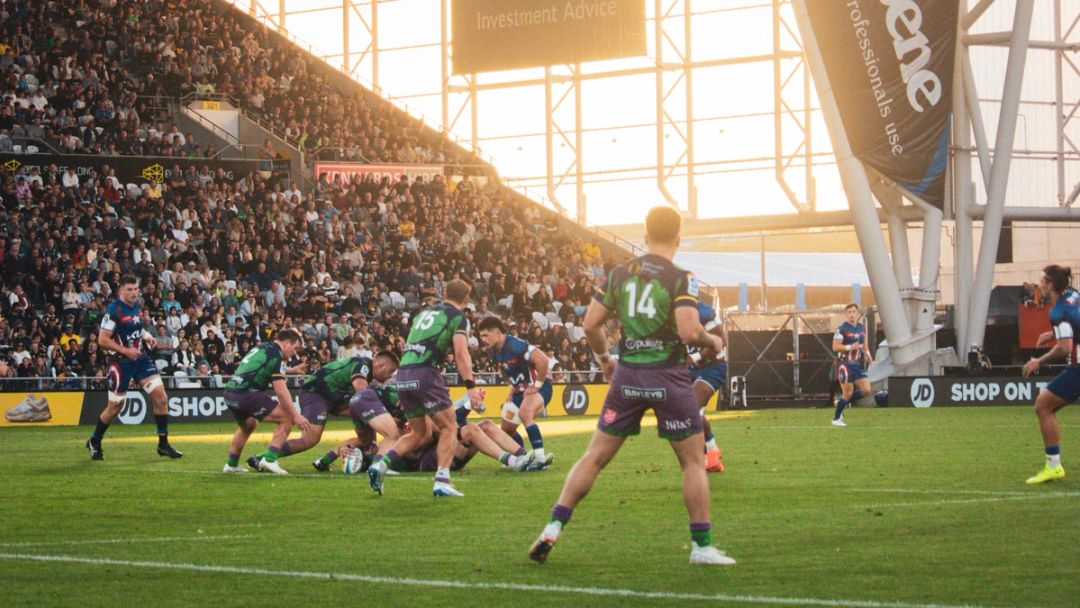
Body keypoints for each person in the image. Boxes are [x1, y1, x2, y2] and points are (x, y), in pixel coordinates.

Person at [527, 206, 735, 566]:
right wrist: (712, 342)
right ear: (678, 238)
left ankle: (553, 527)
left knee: (594, 456)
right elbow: (688, 331)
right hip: (668, 376)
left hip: (627, 376)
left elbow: (591, 323)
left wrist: (605, 359)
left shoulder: (620, 273)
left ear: (644, 234)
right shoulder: (681, 277)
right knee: (692, 463)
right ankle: (702, 546)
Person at [366, 279, 483, 497]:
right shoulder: (458, 317)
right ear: (466, 299)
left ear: (444, 293)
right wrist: (470, 386)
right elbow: (461, 353)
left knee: (421, 432)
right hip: (425, 373)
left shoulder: (423, 313)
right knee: (449, 426)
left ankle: (380, 465)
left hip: (403, 374)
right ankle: (442, 480)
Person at [248, 351, 399, 472]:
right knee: (309, 439)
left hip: (334, 399)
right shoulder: (363, 365)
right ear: (380, 363)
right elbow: (362, 392)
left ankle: (324, 461)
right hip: (316, 394)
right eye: (391, 371)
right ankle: (263, 457)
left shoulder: (367, 370)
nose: (390, 376)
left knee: (367, 432)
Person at [86, 275, 182, 461]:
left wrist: (146, 336)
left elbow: (136, 327)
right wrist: (125, 350)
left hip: (140, 359)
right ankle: (95, 440)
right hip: (121, 362)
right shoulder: (114, 310)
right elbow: (102, 339)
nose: (133, 293)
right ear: (120, 290)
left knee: (161, 398)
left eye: (135, 289)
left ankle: (163, 444)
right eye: (129, 289)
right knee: (115, 406)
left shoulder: (137, 306)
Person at [221, 328, 312, 474]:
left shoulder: (263, 347)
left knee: (249, 425)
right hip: (247, 393)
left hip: (230, 393)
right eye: (295, 348)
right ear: (287, 343)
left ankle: (231, 464)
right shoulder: (277, 355)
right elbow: (281, 390)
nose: (294, 353)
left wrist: (291, 370)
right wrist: (296, 415)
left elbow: (262, 365)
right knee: (287, 417)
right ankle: (269, 460)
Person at [1021, 264, 1079, 484]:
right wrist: (1052, 333)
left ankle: (1053, 466)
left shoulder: (1058, 311)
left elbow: (1065, 347)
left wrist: (1039, 361)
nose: (1039, 285)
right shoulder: (1073, 294)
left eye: (1042, 281)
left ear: (1051, 285)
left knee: (1043, 406)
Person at [477, 315, 554, 469]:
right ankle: (523, 456)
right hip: (519, 392)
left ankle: (540, 459)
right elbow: (505, 370)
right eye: (481, 336)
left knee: (525, 413)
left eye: (486, 335)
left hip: (539, 387)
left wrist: (537, 385)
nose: (483, 339)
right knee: (506, 429)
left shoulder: (515, 345)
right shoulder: (494, 351)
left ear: (498, 333)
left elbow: (543, 360)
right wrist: (512, 387)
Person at [688, 301, 726, 473]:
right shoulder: (668, 312)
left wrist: (695, 356)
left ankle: (706, 454)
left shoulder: (704, 312)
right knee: (693, 413)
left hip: (713, 367)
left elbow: (720, 340)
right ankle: (712, 452)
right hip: (690, 369)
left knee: (692, 409)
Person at [831, 303, 873, 427]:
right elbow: (835, 346)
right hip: (844, 364)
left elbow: (864, 344)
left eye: (854, 312)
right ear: (846, 314)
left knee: (866, 390)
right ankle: (836, 419)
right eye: (849, 312)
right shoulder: (842, 328)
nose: (851, 314)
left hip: (856, 364)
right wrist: (849, 347)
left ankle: (841, 402)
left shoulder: (861, 328)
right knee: (848, 392)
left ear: (858, 314)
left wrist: (868, 355)